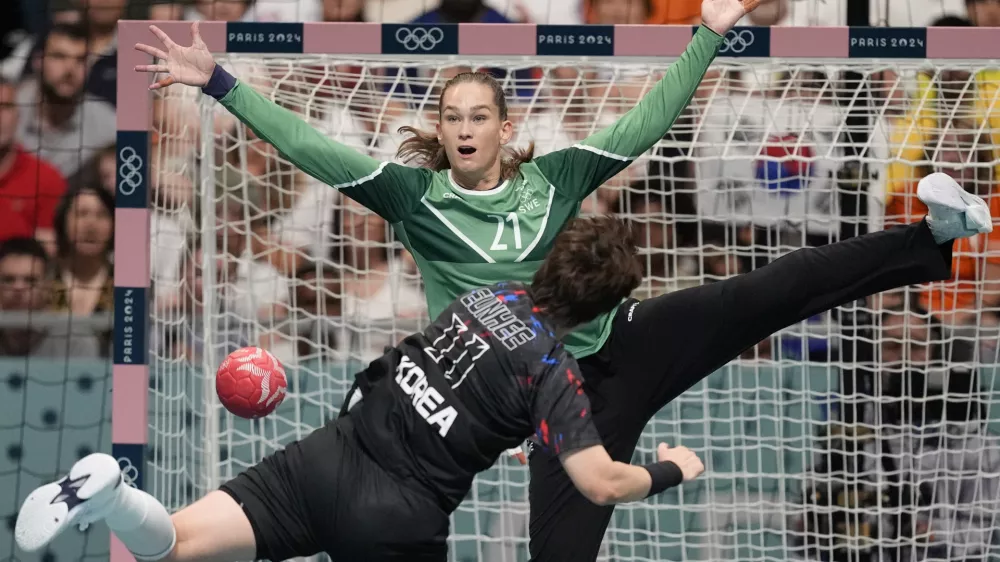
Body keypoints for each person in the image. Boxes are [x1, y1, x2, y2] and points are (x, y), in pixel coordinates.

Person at [128, 0, 997, 558]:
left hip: (618, 350)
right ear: (441, 128)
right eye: (451, 118)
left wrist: (711, 31)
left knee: (764, 291)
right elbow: (315, 150)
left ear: (506, 127)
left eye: (480, 117)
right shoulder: (415, 197)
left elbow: (648, 123)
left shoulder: (558, 177)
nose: (465, 131)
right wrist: (224, 84)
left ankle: (932, 236)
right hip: (542, 396)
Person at [15, 215, 706, 561]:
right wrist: (670, 468)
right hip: (396, 519)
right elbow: (599, 483)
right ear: (605, 309)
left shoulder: (482, 298)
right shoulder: (553, 370)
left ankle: (116, 494)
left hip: (328, 455)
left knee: (174, 547)